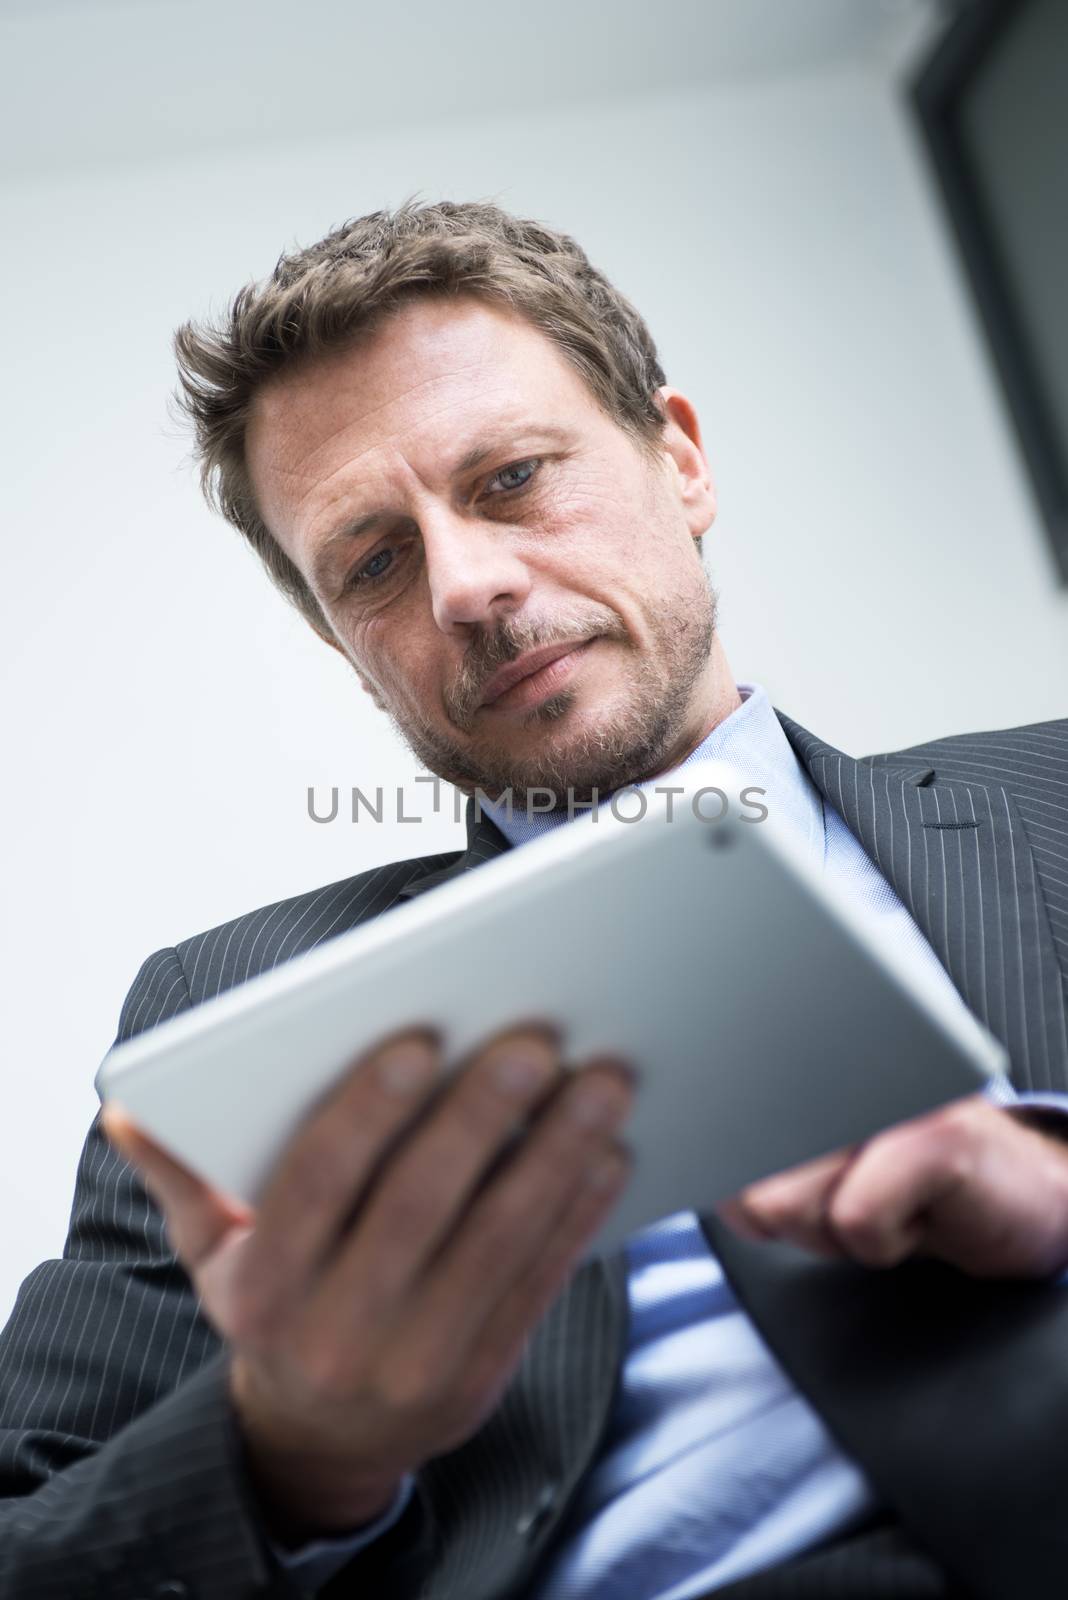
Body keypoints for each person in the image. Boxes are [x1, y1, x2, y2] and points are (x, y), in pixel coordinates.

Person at [2, 201, 1067, 1600]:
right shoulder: (226, 1011)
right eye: (373, 563)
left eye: (510, 479)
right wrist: (297, 1444)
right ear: (345, 645)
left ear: (677, 457)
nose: (467, 586)